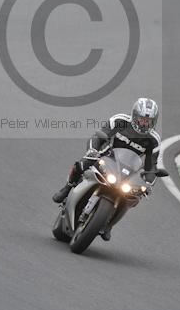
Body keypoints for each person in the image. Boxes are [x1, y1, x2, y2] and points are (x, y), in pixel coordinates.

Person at [52, 98, 168, 239]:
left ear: (153, 122)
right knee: (81, 165)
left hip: (128, 172)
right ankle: (67, 188)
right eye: (142, 119)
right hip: (104, 157)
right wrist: (93, 150)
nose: (144, 124)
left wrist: (148, 184)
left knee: (134, 197)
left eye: (148, 122)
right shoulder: (120, 121)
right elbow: (99, 136)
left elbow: (151, 165)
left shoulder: (154, 140)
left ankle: (108, 224)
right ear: (134, 116)